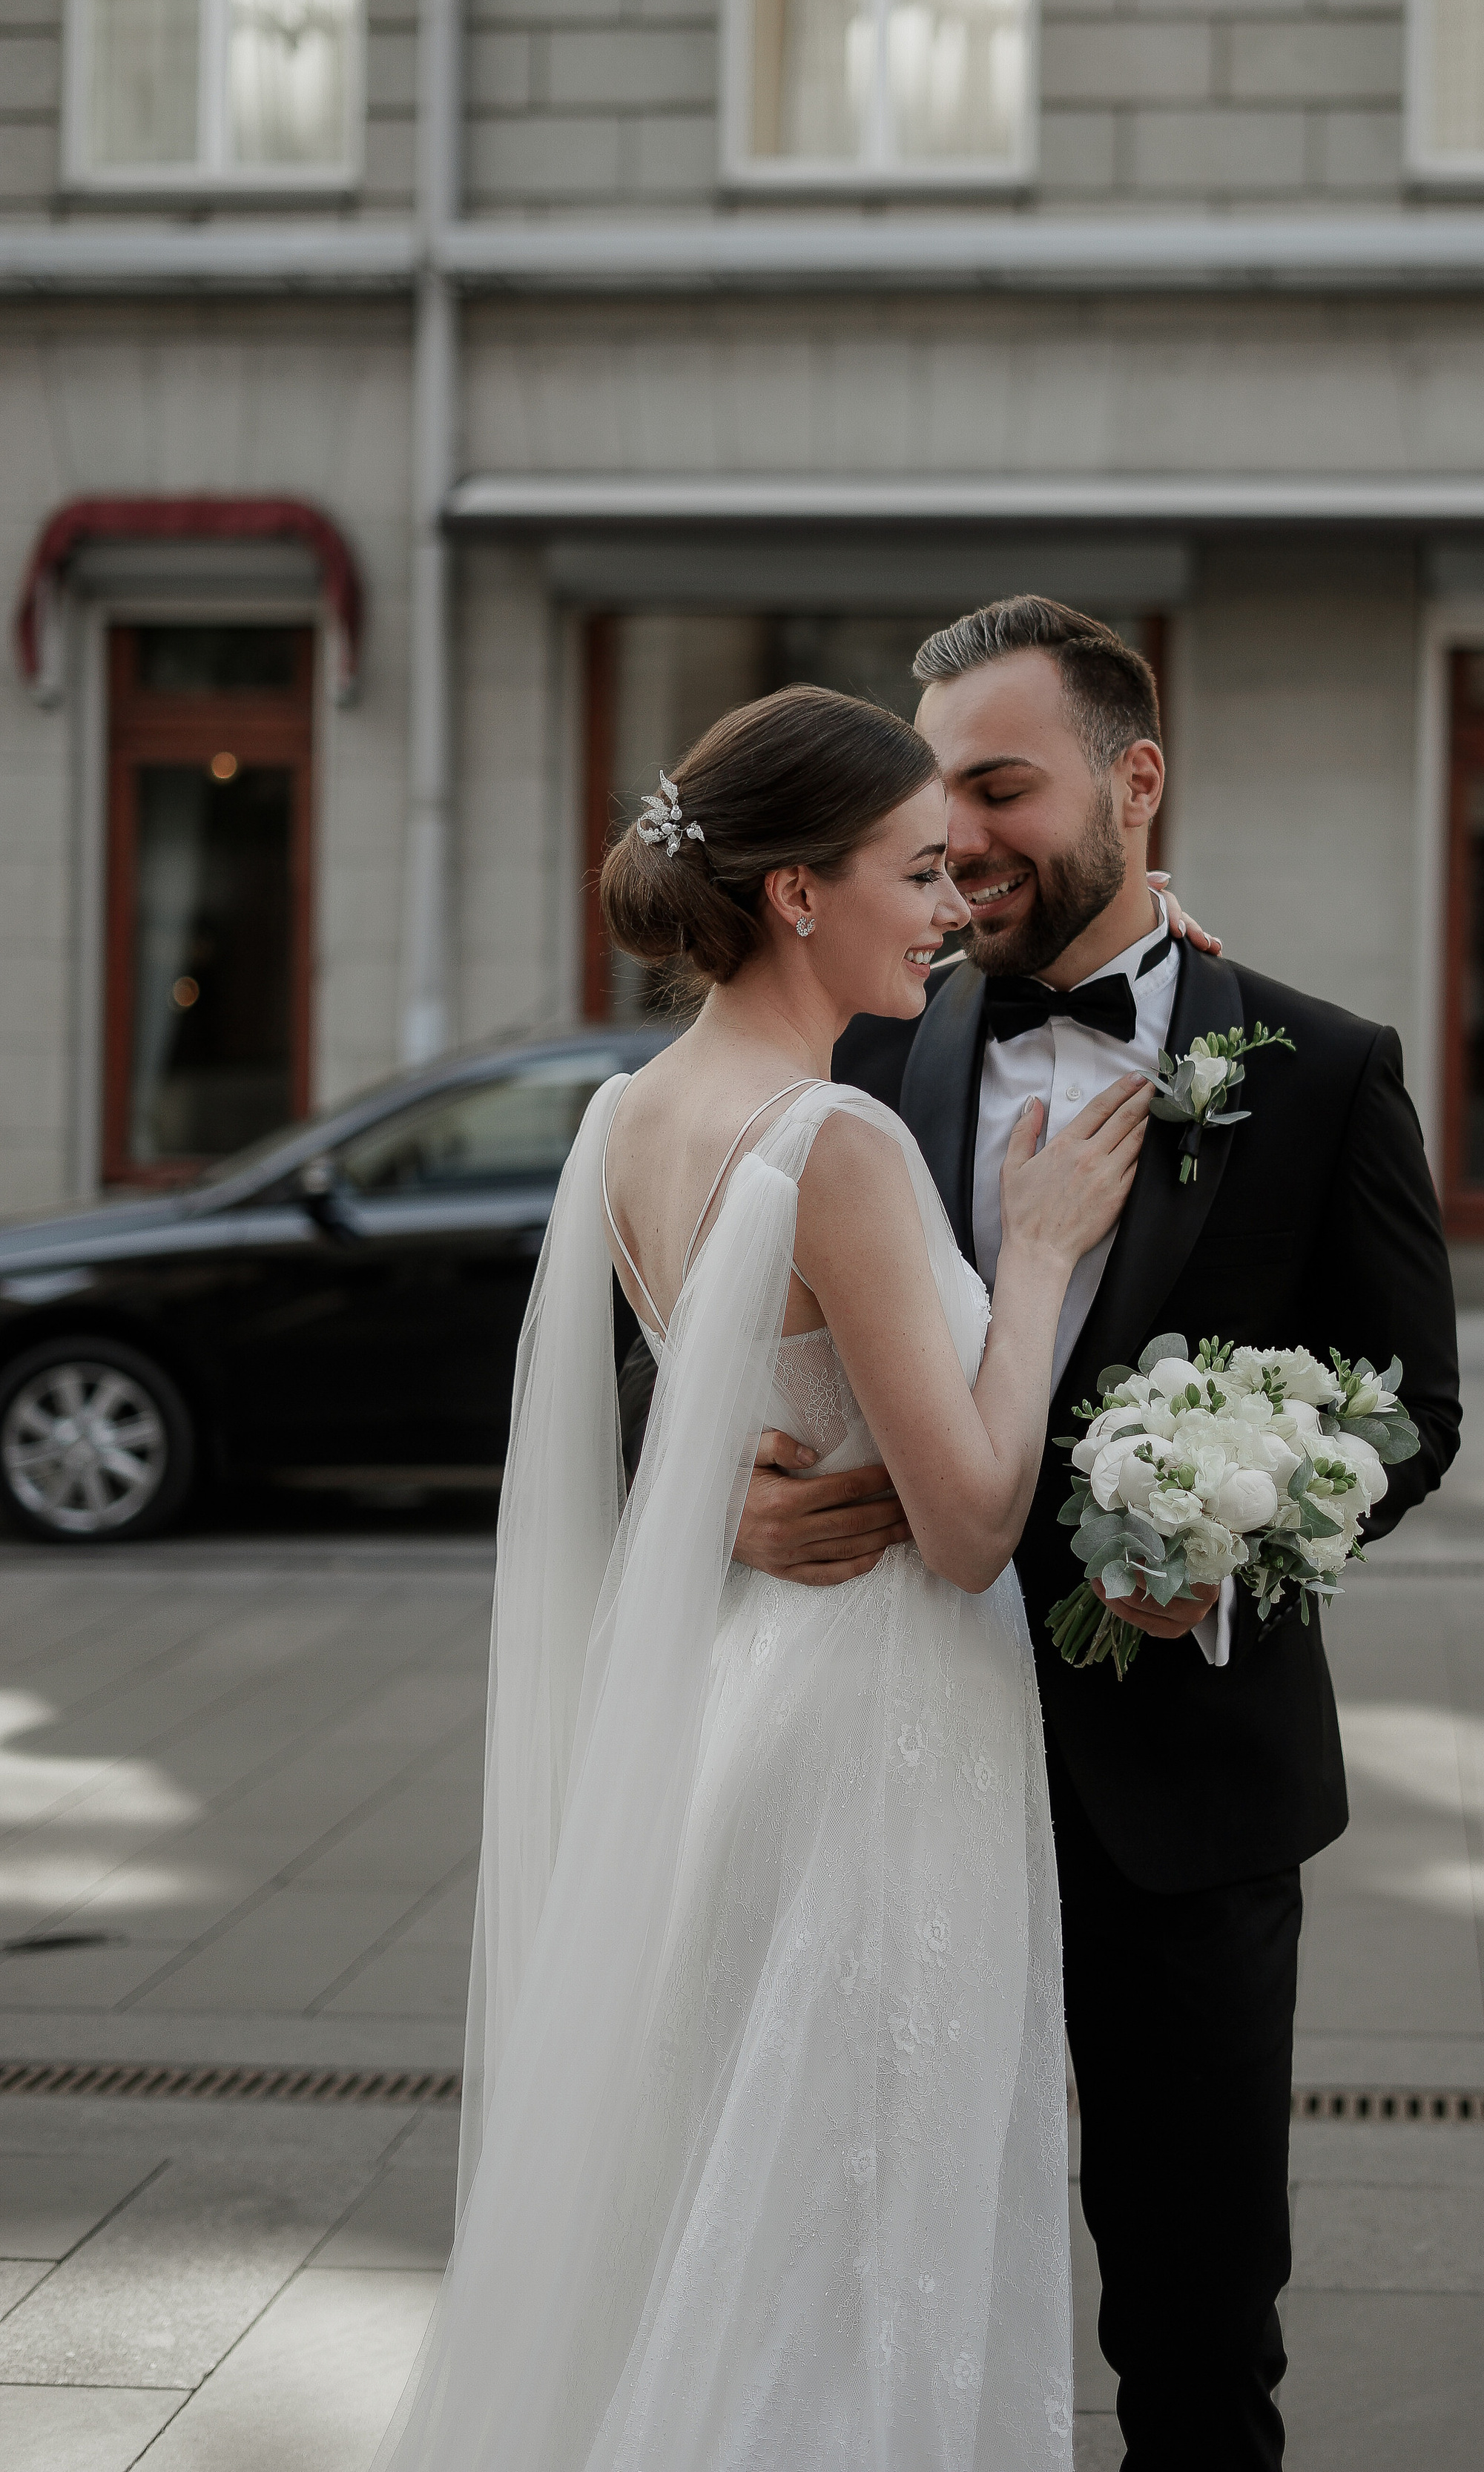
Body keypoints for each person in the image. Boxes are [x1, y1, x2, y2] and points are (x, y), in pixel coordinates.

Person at [372, 682, 1154, 2472]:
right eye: (913, 872)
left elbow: (673, 1408)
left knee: (742, 2219)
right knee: (852, 2242)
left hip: (747, 1720)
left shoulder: (628, 1116)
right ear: (799, 892)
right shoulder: (840, 1144)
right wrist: (1029, 1266)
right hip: (880, 1745)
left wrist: (709, 1492)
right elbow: (960, 1527)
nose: (949, 910)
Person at [736, 598, 1462, 2472]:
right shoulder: (874, 1042)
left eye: (999, 784)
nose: (959, 835)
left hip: (1187, 1799)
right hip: (892, 1752)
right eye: (933, 796)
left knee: (1195, 2320)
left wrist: (1252, 1531)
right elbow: (711, 1293)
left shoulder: (1315, 1067)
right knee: (876, 2282)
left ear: (1134, 784)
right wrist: (719, 1481)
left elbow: (1412, 1403)